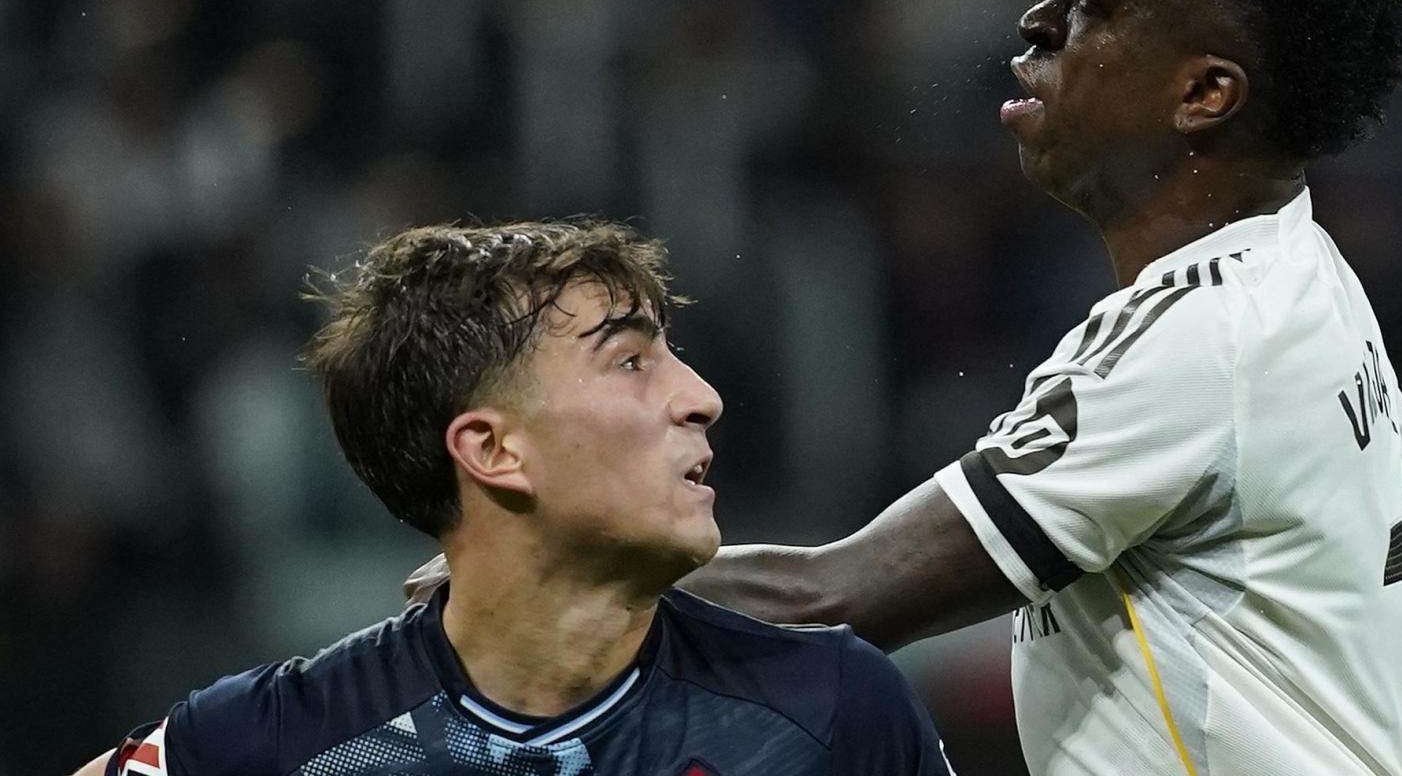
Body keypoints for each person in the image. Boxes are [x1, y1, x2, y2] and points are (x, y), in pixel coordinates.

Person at [682, 0, 1402, 775]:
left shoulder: (1204, 340)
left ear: (1204, 95)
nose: (1040, 18)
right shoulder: (1309, 279)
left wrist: (539, 590)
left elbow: (831, 603)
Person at [75, 221, 953, 776]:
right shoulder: (269, 742)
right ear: (493, 449)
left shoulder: (833, 712)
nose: (701, 396)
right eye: (631, 360)